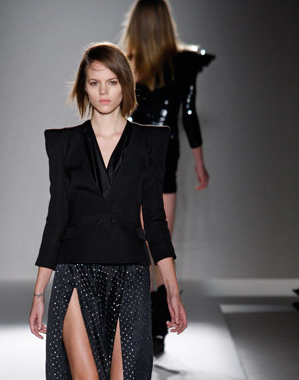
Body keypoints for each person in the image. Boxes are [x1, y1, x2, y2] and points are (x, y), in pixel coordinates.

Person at [29, 42, 187, 380]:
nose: (103, 92)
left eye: (111, 82)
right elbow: (56, 217)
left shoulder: (150, 141)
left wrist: (171, 288)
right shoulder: (63, 144)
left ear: (126, 86)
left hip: (129, 276)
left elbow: (154, 221)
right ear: (84, 87)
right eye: (94, 82)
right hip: (75, 275)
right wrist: (39, 290)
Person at [121, 0, 215, 355]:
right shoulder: (182, 63)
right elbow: (188, 113)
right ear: (166, 23)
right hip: (164, 161)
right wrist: (200, 163)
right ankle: (156, 328)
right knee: (159, 246)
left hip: (131, 160)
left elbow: (115, 115)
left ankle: (144, 325)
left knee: (138, 246)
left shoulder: (126, 62)